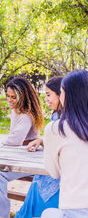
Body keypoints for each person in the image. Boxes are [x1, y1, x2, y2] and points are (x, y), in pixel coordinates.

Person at [0, 76, 44, 218]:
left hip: (28, 157)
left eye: (14, 97)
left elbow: (15, 141)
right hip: (17, 155)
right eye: (8, 96)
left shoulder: (26, 115)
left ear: (23, 97)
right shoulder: (16, 111)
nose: (10, 100)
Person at [41, 69, 88, 218]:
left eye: (61, 92)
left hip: (75, 208)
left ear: (67, 95)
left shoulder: (56, 129)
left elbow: (53, 172)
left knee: (47, 214)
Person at [15, 76, 63, 218]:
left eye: (49, 95)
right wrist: (41, 141)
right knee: (40, 178)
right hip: (49, 167)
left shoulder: (69, 119)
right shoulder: (56, 116)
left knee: (43, 179)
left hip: (60, 171)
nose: (46, 99)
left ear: (61, 95)